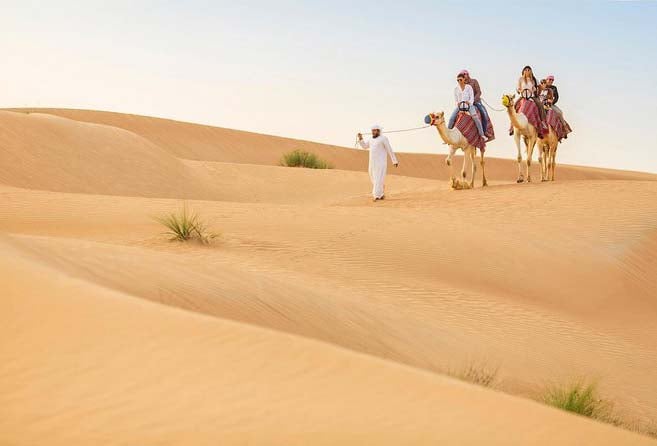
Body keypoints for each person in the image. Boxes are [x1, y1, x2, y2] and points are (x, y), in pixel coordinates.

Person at [357, 125, 399, 201]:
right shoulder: (370, 139)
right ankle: (381, 193)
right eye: (372, 130)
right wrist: (360, 139)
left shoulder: (383, 139)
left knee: (377, 179)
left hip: (381, 163)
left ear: (379, 131)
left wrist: (394, 160)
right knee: (373, 178)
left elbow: (389, 149)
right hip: (372, 163)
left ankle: (376, 195)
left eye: (375, 130)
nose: (373, 132)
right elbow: (365, 146)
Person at [448, 72, 486, 139]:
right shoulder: (456, 89)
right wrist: (458, 103)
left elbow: (471, 97)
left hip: (469, 105)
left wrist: (469, 102)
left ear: (464, 80)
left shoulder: (469, 87)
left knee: (476, 118)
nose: (459, 81)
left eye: (460, 80)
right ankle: (448, 135)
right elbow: (456, 99)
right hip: (460, 106)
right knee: (451, 118)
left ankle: (482, 134)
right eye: (458, 80)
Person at [510, 65, 546, 136]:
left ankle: (542, 123)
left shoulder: (534, 80)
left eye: (529, 70)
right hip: (523, 96)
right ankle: (512, 126)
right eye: (525, 70)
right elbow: (518, 88)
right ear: (523, 71)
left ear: (531, 71)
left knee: (540, 105)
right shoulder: (520, 79)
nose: (527, 71)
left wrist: (537, 91)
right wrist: (520, 90)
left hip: (531, 97)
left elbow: (539, 87)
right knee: (514, 107)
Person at [461, 69, 490, 135]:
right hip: (465, 103)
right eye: (463, 75)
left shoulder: (474, 81)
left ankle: (484, 132)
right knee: (454, 116)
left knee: (484, 114)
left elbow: (479, 92)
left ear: (467, 74)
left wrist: (473, 100)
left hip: (476, 102)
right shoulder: (462, 84)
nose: (464, 76)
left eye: (465, 74)